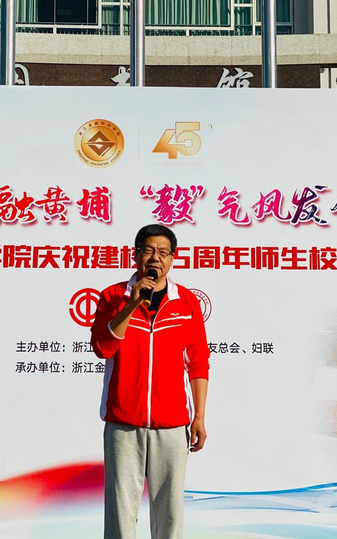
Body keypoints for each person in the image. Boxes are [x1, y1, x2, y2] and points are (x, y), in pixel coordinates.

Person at [91, 224, 210, 539]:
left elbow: (198, 362)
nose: (155, 258)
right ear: (136, 255)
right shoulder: (113, 296)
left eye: (163, 252)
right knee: (120, 513)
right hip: (123, 423)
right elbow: (103, 347)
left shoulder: (185, 302)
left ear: (172, 258)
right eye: (148, 250)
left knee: (169, 514)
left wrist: (199, 416)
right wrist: (131, 304)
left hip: (172, 425)